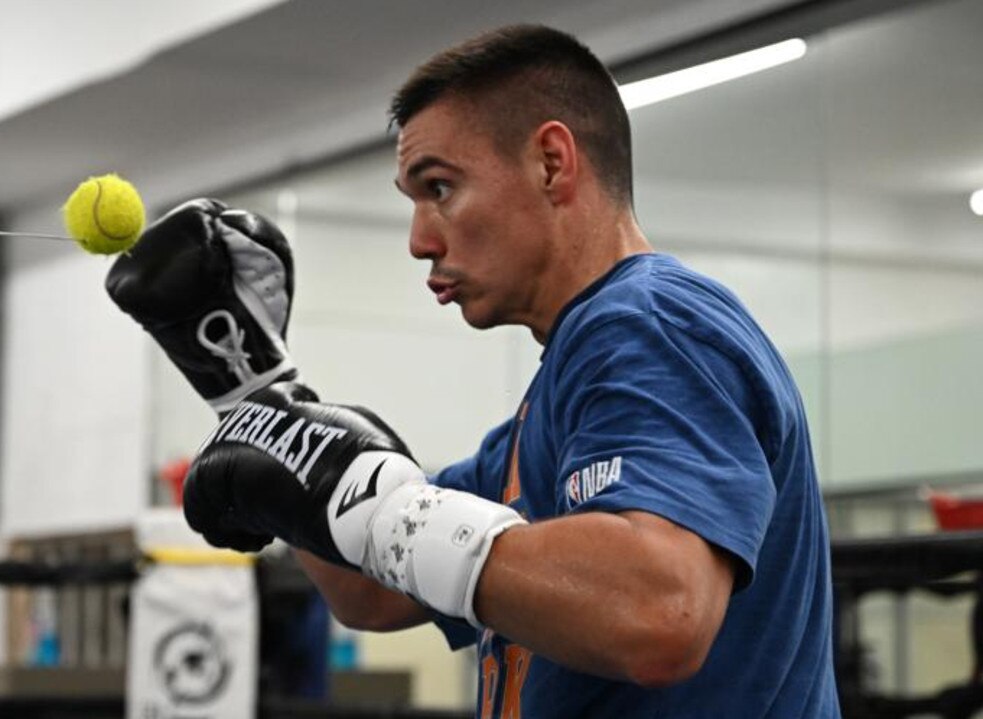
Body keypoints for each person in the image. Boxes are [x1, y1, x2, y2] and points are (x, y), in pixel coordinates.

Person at [107, 24, 839, 719]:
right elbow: (374, 593)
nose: (420, 240)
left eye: (440, 187)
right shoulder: (561, 393)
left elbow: (659, 612)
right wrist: (255, 390)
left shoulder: (645, 322)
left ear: (551, 162)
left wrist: (383, 509)